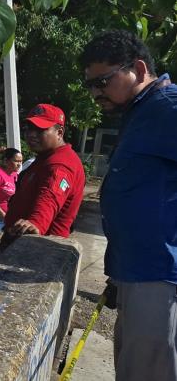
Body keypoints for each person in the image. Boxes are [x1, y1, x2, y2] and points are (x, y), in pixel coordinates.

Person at [80, 30, 177, 381]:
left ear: (137, 69)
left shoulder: (167, 108)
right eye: (90, 85)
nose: (95, 94)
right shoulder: (141, 112)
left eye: (102, 82)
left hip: (159, 274)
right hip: (136, 271)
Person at [0, 104, 85, 251]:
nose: (32, 134)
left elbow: (50, 197)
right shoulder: (46, 158)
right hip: (23, 244)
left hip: (38, 250)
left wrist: (36, 223)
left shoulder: (60, 165)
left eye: (40, 129)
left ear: (59, 133)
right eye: (29, 128)